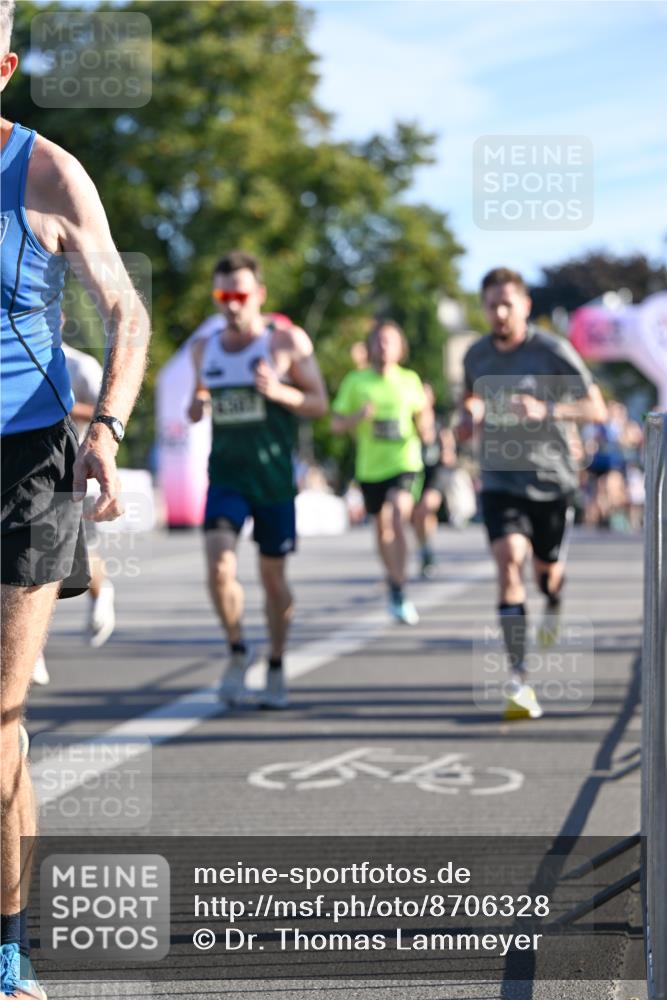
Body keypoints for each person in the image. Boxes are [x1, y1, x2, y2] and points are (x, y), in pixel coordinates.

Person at [0, 2, 150, 993]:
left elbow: (124, 309)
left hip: (26, 460)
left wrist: (106, 431)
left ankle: (6, 944)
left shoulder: (46, 171)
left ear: (4, 65)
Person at [459, 267, 606, 721]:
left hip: (552, 481)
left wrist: (548, 408)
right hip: (500, 480)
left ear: (525, 306)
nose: (500, 313)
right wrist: (467, 417)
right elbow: (470, 400)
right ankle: (519, 681)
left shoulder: (551, 350)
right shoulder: (475, 356)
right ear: (484, 308)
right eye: (492, 305)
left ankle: (555, 597)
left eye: (508, 304)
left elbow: (595, 407)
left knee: (546, 575)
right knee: (509, 564)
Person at [188, 251, 327, 710]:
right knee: (218, 564)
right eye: (222, 294)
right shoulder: (203, 348)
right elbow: (200, 395)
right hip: (226, 475)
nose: (231, 304)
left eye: (240, 294)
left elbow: (319, 403)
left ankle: (276, 663)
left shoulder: (284, 341)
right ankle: (236, 650)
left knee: (273, 579)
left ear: (259, 295)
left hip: (273, 480)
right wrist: (196, 405)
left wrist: (279, 391)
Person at [331, 320, 433, 624]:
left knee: (395, 515)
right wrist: (357, 417)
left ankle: (400, 585)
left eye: (390, 341)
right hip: (370, 469)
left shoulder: (409, 380)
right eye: (378, 341)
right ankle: (395, 581)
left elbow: (423, 419)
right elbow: (335, 425)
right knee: (381, 528)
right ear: (370, 346)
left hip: (404, 462)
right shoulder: (356, 381)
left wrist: (425, 423)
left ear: (401, 348)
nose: (384, 346)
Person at [31, 344, 116, 685]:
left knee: (82, 558)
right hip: (23, 474)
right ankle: (32, 650)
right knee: (27, 565)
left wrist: (58, 407)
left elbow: (105, 414)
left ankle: (102, 592)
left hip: (72, 473)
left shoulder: (81, 366)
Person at [411, 384, 460, 577]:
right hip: (416, 471)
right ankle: (426, 549)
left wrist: (447, 453)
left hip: (437, 472)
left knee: (426, 507)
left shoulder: (440, 424)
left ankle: (426, 550)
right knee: (420, 516)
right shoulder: (409, 422)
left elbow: (450, 453)